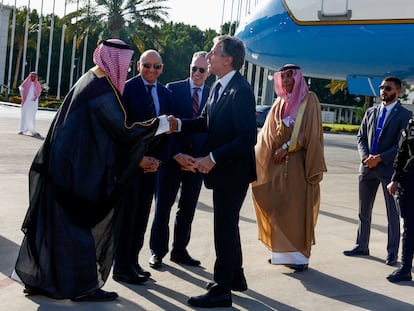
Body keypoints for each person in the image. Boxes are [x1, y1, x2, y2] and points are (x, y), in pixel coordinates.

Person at [13, 39, 163, 301]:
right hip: (72, 172)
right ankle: (84, 288)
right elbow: (123, 130)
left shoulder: (91, 79)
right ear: (114, 60)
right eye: (126, 63)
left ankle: (39, 280)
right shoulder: (100, 88)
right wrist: (161, 124)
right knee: (79, 228)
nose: (127, 70)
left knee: (53, 227)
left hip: (63, 166)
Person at [169, 35, 257, 308]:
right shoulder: (219, 87)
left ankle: (222, 289)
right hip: (224, 170)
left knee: (224, 227)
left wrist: (213, 158)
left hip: (233, 171)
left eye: (213, 51)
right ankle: (236, 277)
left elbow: (246, 138)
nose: (208, 55)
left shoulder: (240, 90)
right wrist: (178, 124)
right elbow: (205, 122)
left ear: (228, 59)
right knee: (228, 225)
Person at [251, 64, 326, 272]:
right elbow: (267, 134)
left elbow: (309, 133)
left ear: (299, 78)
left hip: (298, 166)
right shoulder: (278, 103)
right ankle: (280, 253)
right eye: (283, 77)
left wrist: (286, 147)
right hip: (276, 166)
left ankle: (299, 257)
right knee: (278, 207)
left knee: (296, 209)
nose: (286, 81)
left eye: (290, 76)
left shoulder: (309, 100)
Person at [112, 49, 173, 284]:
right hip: (130, 166)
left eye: (156, 67)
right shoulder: (126, 89)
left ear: (162, 69)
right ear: (138, 65)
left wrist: (159, 160)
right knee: (126, 218)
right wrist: (137, 159)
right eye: (147, 65)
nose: (151, 70)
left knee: (141, 217)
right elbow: (119, 131)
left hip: (153, 167)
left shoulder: (166, 95)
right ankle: (121, 267)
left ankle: (133, 262)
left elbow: (168, 131)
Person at [148, 51, 210, 268]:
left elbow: (212, 130)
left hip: (196, 163)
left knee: (188, 208)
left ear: (208, 71)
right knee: (163, 207)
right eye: (194, 68)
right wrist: (176, 154)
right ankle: (157, 251)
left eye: (202, 69)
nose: (197, 73)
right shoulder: (173, 89)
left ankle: (180, 250)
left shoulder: (214, 94)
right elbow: (165, 125)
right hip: (171, 158)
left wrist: (201, 158)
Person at [344, 76, 412, 266]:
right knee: (363, 211)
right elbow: (361, 136)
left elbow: (401, 145)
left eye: (388, 88)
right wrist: (366, 157)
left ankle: (392, 254)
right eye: (382, 87)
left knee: (392, 215)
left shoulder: (404, 116)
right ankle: (362, 245)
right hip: (367, 168)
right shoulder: (371, 112)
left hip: (389, 171)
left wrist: (380, 158)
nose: (384, 91)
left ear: (398, 91)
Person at [386, 117, 414, 283]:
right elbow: (402, 150)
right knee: (409, 228)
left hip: (409, 177)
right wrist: (396, 177)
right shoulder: (411, 122)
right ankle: (405, 269)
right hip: (409, 184)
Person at [18, 72, 42, 138]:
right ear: (30, 77)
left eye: (34, 76)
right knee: (24, 115)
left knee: (32, 116)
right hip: (26, 102)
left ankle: (32, 130)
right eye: (32, 76)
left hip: (33, 103)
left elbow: (39, 92)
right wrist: (23, 95)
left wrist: (35, 96)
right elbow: (21, 88)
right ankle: (22, 130)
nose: (33, 78)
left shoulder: (37, 84)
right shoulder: (26, 83)